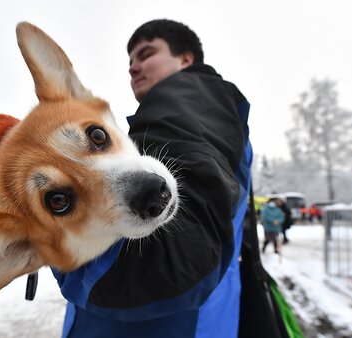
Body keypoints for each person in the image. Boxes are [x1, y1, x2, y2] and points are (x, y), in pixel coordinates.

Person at [52, 19, 252, 338]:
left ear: (185, 59)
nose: (133, 67)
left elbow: (170, 263)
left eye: (146, 54)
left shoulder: (188, 96)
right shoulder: (200, 115)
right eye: (130, 61)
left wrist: (43, 208)